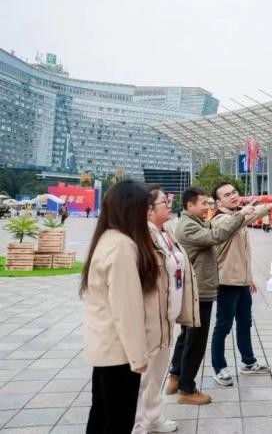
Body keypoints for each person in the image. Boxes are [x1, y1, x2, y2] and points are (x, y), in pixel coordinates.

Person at [81, 180, 159, 433]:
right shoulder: (123, 246)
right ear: (131, 209)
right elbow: (127, 308)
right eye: (145, 206)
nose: (148, 212)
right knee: (117, 420)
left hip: (105, 346)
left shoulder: (107, 237)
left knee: (102, 414)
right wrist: (138, 356)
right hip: (120, 352)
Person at [166, 187, 255, 404]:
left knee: (187, 336)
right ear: (190, 206)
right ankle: (187, 389)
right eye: (204, 203)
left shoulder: (195, 221)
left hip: (198, 288)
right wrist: (241, 214)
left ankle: (176, 376)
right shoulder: (188, 226)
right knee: (196, 339)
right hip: (199, 289)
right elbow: (217, 236)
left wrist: (261, 210)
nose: (208, 207)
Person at [132, 186, 201, 434]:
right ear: (149, 210)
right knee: (143, 377)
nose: (169, 205)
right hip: (150, 318)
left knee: (158, 373)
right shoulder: (142, 238)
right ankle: (137, 424)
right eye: (164, 202)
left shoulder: (165, 233)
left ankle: (153, 417)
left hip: (167, 316)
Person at [209, 183, 272, 385]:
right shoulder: (220, 219)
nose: (233, 196)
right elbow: (240, 220)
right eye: (227, 194)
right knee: (222, 327)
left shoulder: (238, 217)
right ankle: (219, 368)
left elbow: (244, 253)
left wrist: (249, 278)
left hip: (241, 282)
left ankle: (249, 363)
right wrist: (265, 207)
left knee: (245, 323)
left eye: (234, 192)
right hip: (226, 282)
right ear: (218, 202)